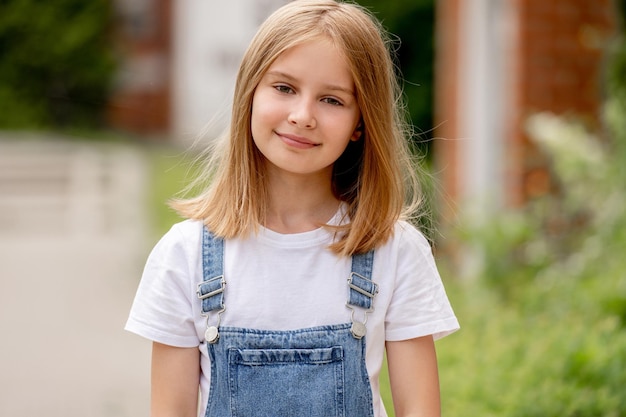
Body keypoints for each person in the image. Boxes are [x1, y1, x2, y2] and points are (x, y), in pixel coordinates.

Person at [125, 1, 459, 416]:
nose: (302, 116)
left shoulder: (395, 251)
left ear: (360, 123)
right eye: (284, 88)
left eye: (332, 100)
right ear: (249, 94)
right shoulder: (185, 256)